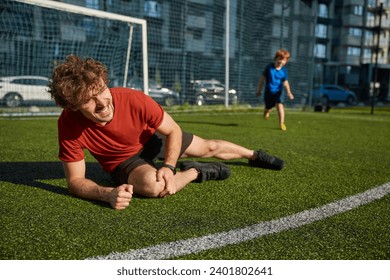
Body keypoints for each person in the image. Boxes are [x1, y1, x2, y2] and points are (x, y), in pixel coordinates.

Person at [49, 54, 285, 210]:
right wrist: (107, 193)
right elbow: (75, 181)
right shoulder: (69, 124)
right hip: (124, 161)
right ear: (73, 106)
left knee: (209, 147)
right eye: (89, 100)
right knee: (155, 187)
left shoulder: (134, 99)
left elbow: (173, 131)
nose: (102, 102)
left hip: (150, 139)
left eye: (101, 89)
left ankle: (254, 155)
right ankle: (196, 171)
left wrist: (169, 167)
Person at [256, 49, 294, 131]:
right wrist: (259, 90)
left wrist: (289, 92)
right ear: (275, 59)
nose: (281, 61)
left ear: (286, 61)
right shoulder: (269, 67)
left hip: (279, 92)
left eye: (284, 60)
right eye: (279, 59)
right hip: (269, 92)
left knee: (280, 106)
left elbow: (286, 82)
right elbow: (262, 79)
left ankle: (281, 124)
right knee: (268, 107)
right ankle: (267, 111)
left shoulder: (284, 71)